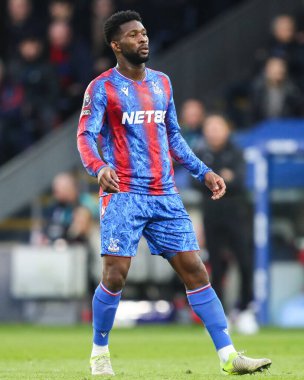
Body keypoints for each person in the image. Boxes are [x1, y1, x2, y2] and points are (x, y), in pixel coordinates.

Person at [77, 10, 271, 376]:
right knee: (115, 274)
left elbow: (173, 138)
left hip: (164, 194)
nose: (143, 39)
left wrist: (204, 171)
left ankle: (229, 355)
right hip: (124, 193)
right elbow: (85, 135)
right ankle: (99, 352)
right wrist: (99, 167)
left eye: (145, 32)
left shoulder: (162, 83)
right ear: (116, 45)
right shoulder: (101, 88)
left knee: (195, 269)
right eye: (134, 35)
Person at [194, 113, 258, 334]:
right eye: (209, 127)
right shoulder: (202, 153)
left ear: (226, 129)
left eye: (217, 127)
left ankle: (246, 309)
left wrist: (216, 180)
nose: (213, 132)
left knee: (245, 261)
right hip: (212, 215)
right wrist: (224, 178)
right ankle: (219, 314)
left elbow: (240, 181)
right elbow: (196, 184)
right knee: (216, 266)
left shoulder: (236, 151)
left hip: (237, 215)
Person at [251, 56, 303, 122]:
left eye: (282, 67)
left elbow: (297, 115)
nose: (279, 69)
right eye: (275, 67)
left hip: (285, 127)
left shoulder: (292, 91)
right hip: (262, 127)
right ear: (267, 70)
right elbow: (252, 114)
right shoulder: (257, 89)